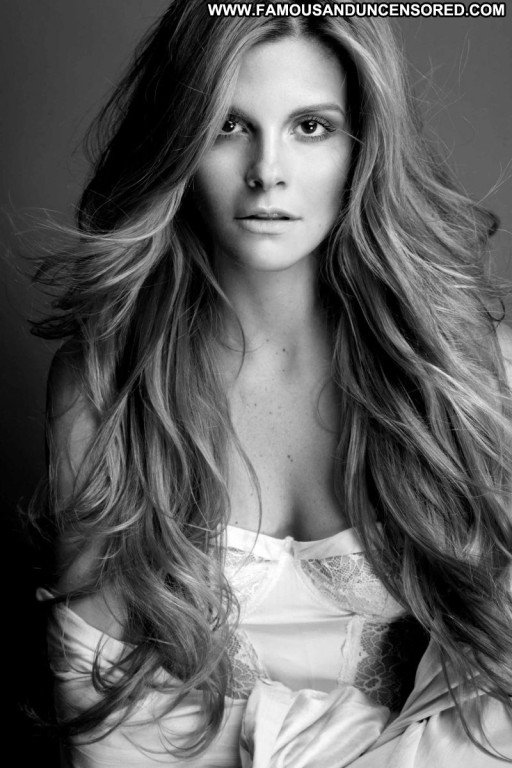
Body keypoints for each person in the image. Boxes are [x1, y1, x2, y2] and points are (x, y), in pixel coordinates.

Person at [31, 1, 512, 765]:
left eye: (310, 126)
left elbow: (497, 719)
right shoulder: (106, 388)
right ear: (179, 142)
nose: (268, 171)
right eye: (228, 125)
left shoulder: (477, 376)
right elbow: (107, 723)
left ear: (363, 148)